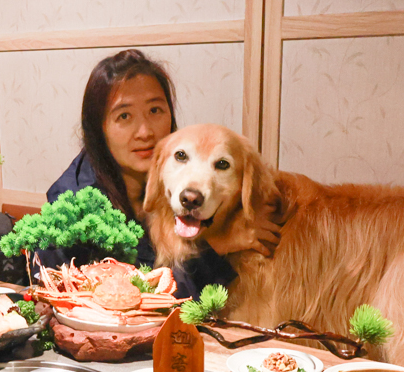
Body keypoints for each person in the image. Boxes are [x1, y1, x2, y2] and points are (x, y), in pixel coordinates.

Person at [40, 49, 279, 299]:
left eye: (155, 111)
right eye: (124, 116)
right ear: (98, 129)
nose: (145, 132)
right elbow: (132, 302)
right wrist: (218, 246)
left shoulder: (175, 175)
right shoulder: (73, 206)